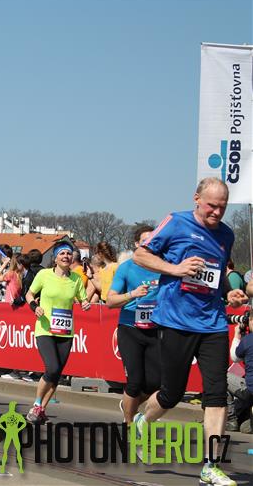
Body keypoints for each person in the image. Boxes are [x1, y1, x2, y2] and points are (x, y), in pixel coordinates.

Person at [133, 177, 248, 486]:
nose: (217, 213)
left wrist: (229, 293)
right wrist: (175, 268)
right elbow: (140, 255)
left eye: (222, 207)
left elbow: (217, 274)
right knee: (171, 393)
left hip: (213, 323)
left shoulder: (226, 234)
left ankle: (211, 466)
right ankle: (143, 419)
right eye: (211, 206)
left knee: (216, 394)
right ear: (196, 198)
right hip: (176, 321)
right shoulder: (176, 222)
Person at [24, 241, 90, 424]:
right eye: (62, 253)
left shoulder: (76, 279)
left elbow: (83, 299)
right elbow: (29, 294)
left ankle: (41, 409)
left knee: (57, 373)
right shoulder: (44, 275)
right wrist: (34, 307)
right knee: (51, 368)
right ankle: (36, 404)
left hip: (65, 332)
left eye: (68, 254)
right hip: (45, 329)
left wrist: (85, 304)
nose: (66, 257)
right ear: (55, 258)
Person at [106, 224, 161, 423]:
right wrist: (132, 294)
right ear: (137, 244)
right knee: (135, 381)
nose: (149, 244)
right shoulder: (127, 268)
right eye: (145, 241)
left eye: (153, 240)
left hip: (155, 329)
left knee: (156, 383)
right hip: (130, 329)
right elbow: (110, 301)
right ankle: (129, 424)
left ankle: (128, 404)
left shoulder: (163, 266)